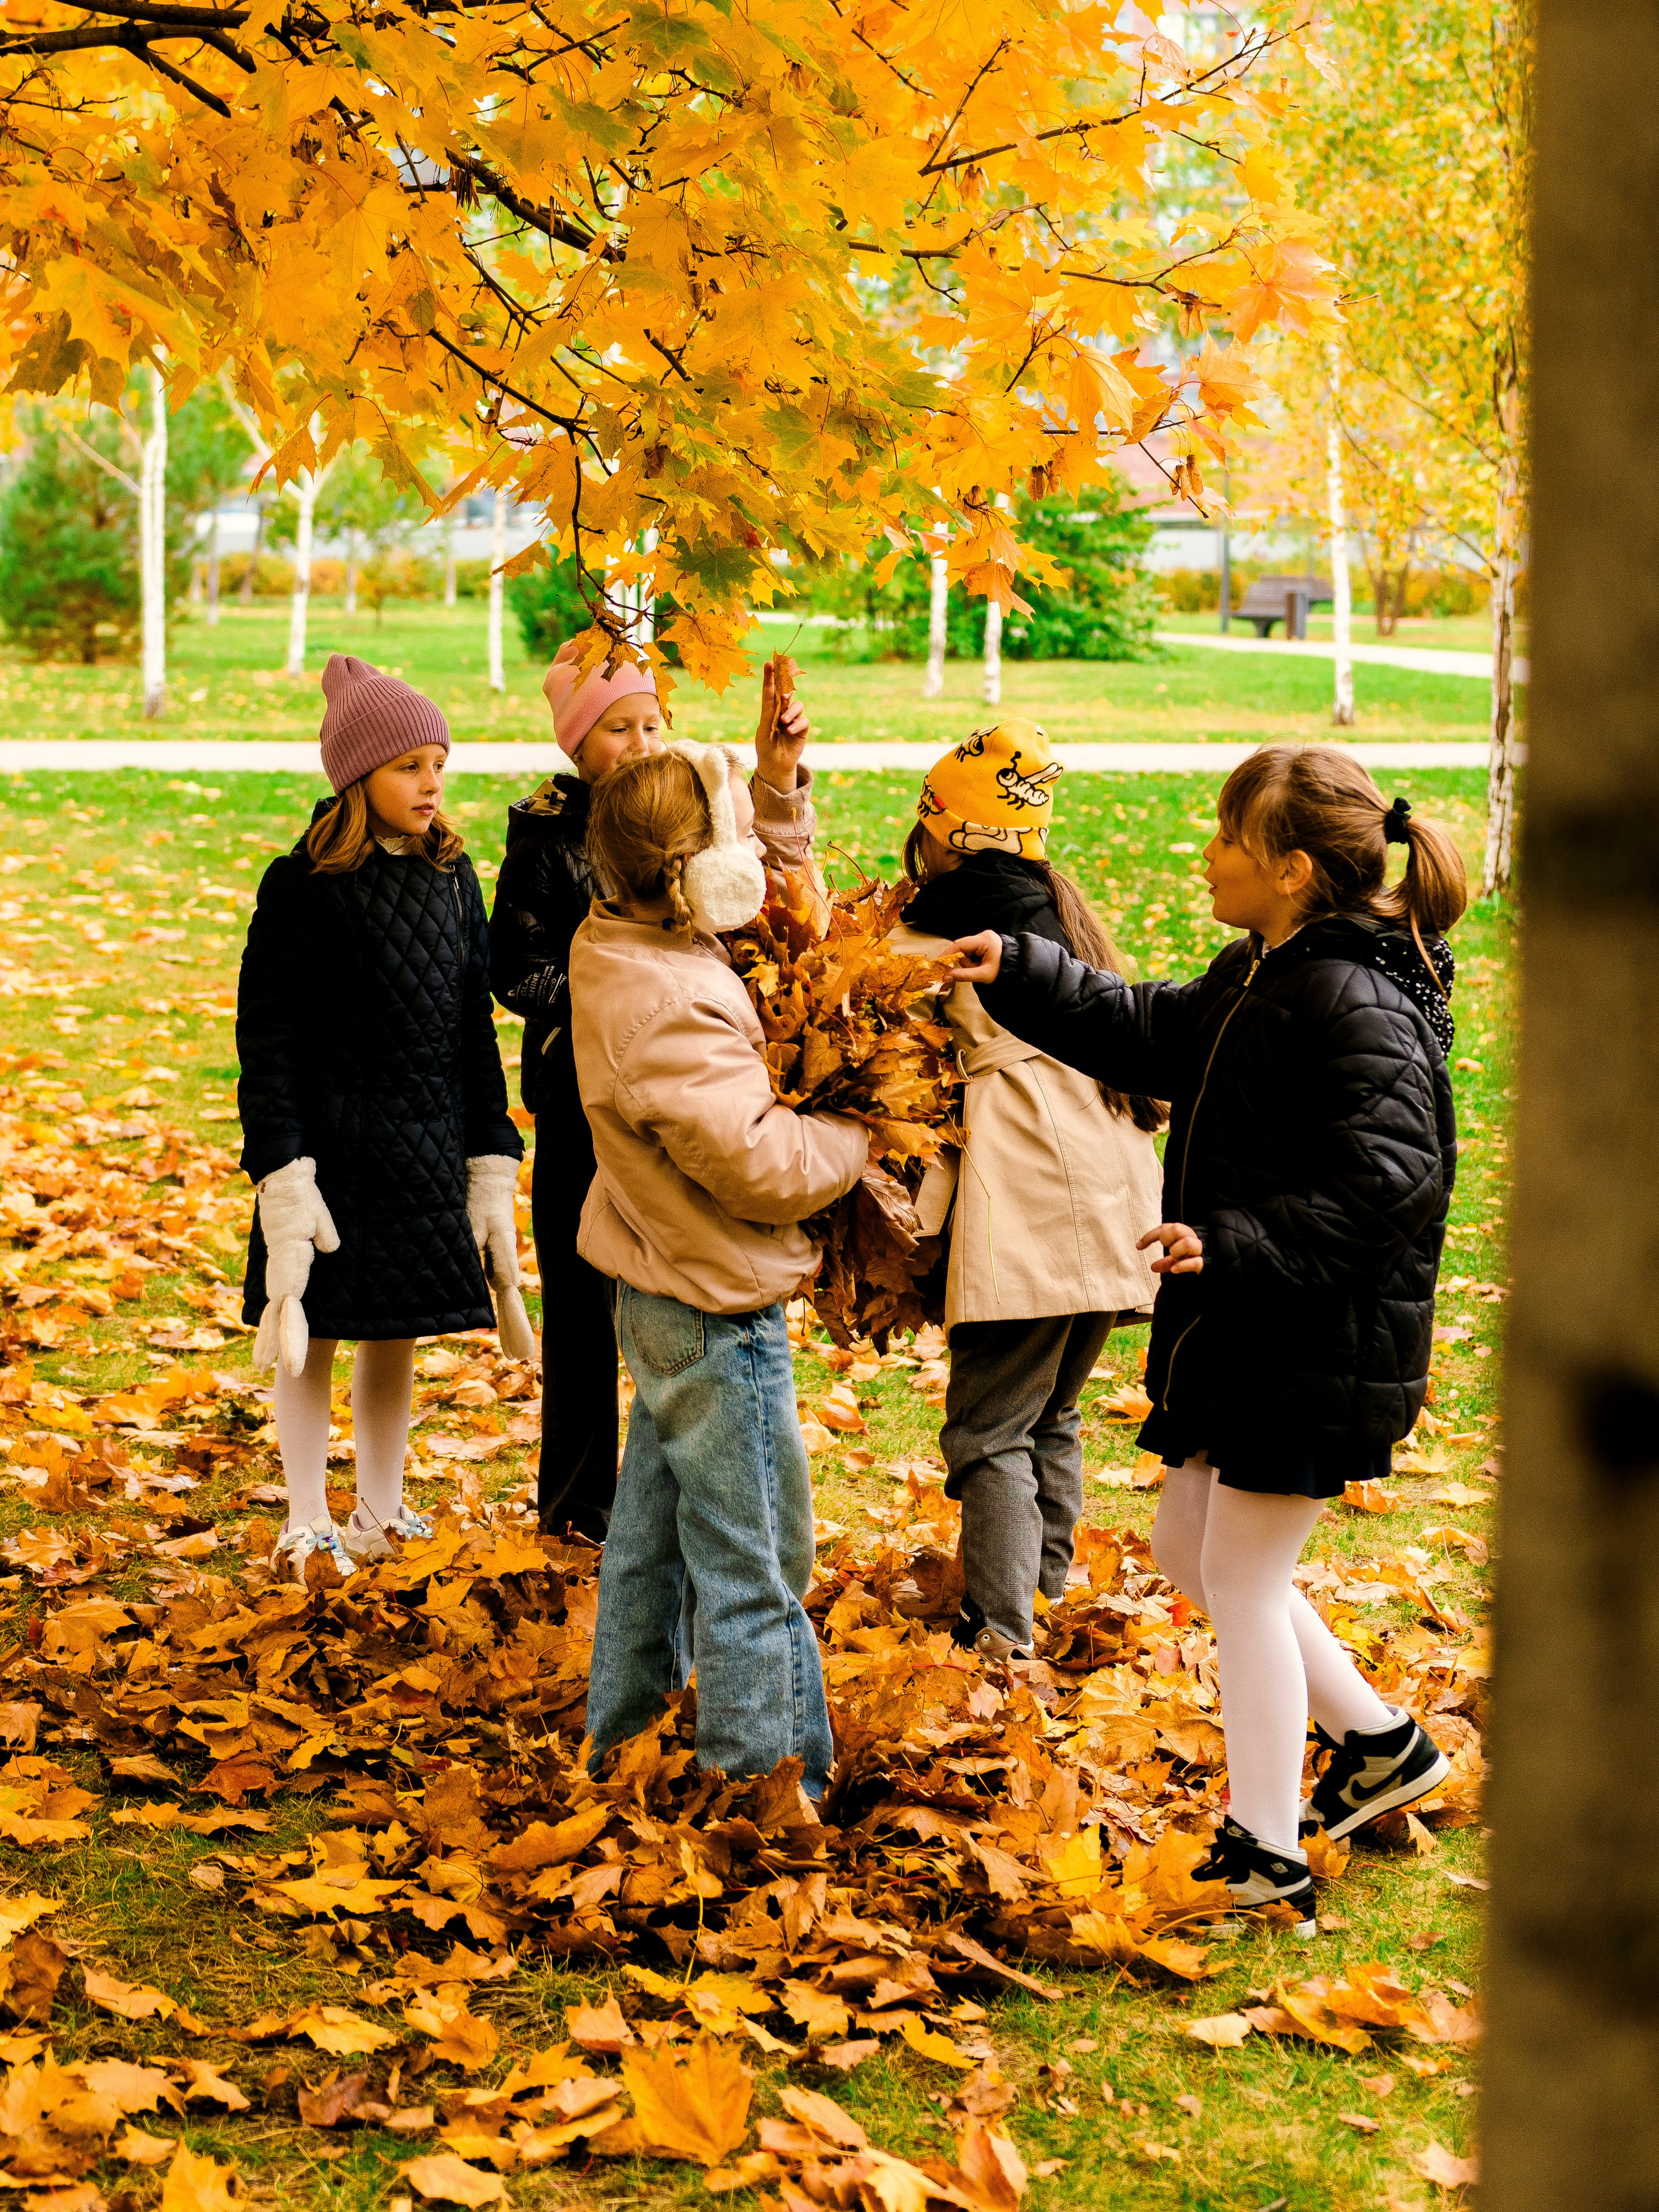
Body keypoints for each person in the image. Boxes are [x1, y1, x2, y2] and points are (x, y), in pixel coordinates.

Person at [946, 742, 1461, 1929]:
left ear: (1288, 869)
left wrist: (1233, 1241)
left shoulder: (1351, 996)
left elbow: (1392, 1183)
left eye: (1228, 838)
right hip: (1255, 1335)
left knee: (1238, 1575)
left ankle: (1267, 1845)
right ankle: (1378, 1742)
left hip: (1312, 1342)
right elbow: (1149, 1025)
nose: (1209, 855)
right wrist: (1018, 967)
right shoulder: (1267, 968)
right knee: (1194, 1549)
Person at [568, 743, 867, 1797]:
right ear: (691, 875)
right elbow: (764, 1163)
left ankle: (624, 1746)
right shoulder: (672, 1009)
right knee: (756, 1561)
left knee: (650, 1544)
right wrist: (855, 1139)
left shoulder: (623, 942)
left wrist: (775, 791)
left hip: (658, 1286)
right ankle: (768, 1783)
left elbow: (764, 901)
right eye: (724, 841)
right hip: (713, 1308)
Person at [488, 644, 815, 1540]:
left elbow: (746, 889)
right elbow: (513, 965)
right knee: (582, 1314)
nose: (638, 741)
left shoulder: (683, 814)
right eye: (615, 727)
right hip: (578, 1102)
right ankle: (577, 1504)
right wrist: (595, 1009)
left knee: (672, 1305)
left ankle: (661, 1495)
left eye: (649, 722)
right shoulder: (547, 835)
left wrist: (775, 775)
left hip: (669, 1093)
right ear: (575, 744)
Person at [238, 655, 529, 1582]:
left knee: (394, 1330)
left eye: (439, 762)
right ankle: (306, 1517)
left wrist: (490, 1146)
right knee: (309, 1331)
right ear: (358, 774)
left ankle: (378, 1505)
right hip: (328, 1163)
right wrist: (281, 1169)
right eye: (410, 765)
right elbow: (269, 1039)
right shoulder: (302, 887)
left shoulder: (453, 878)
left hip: (422, 1152)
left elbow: (472, 1028)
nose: (432, 782)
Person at [889, 719, 1164, 1662]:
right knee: (1048, 1411)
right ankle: (1041, 1595)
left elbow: (882, 1029)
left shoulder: (942, 924)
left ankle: (1001, 1639)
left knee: (988, 1426)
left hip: (1038, 1194)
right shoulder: (1056, 906)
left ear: (946, 830)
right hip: (1113, 1188)